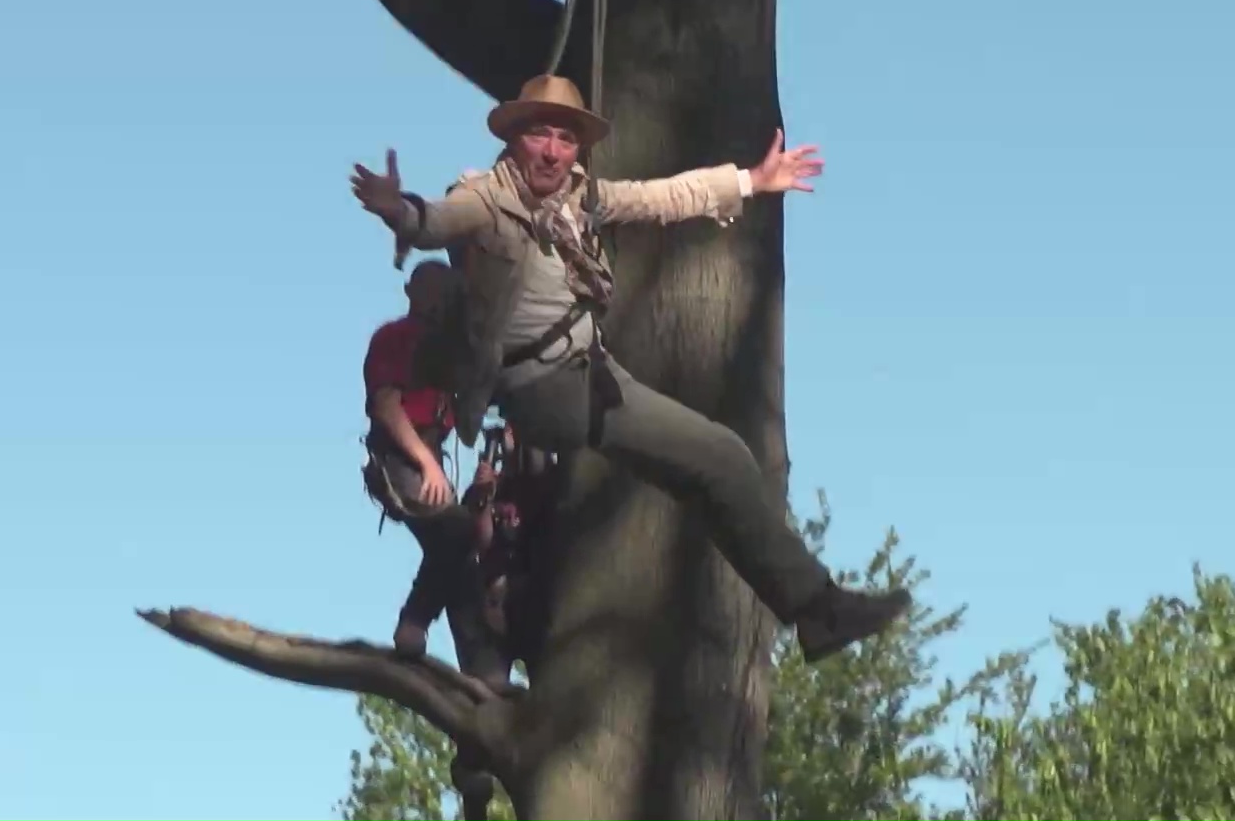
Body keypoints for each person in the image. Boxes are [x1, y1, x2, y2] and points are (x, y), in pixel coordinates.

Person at [349, 74, 913, 664]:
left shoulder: (578, 198)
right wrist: (400, 212)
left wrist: (752, 181)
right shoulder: (486, 200)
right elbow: (437, 219)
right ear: (514, 140)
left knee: (715, 465)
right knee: (715, 458)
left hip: (591, 371)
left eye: (564, 139)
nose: (550, 151)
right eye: (538, 134)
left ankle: (812, 611)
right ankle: (817, 609)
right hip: (548, 389)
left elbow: (660, 197)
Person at [360, 258, 509, 689]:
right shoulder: (395, 338)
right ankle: (414, 620)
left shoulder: (448, 352)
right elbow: (386, 406)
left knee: (459, 557)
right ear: (410, 292)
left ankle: (485, 673)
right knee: (459, 533)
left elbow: (464, 422)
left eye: (444, 293)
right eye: (430, 290)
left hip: (431, 453)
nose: (437, 301)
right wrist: (426, 464)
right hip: (401, 457)